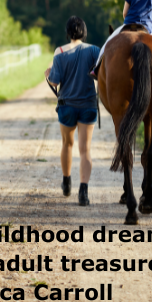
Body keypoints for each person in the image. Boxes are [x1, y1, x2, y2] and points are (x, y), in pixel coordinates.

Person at [45, 17, 100, 206]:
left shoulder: (59, 52)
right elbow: (100, 73)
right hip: (88, 105)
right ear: (84, 31)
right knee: (85, 150)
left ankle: (67, 182)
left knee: (67, 144)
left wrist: (48, 74)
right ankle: (83, 192)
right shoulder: (94, 50)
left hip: (67, 105)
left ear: (68, 32)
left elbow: (54, 81)